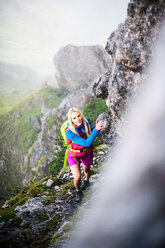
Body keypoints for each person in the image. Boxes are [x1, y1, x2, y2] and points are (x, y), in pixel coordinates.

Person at [66, 107, 104, 202]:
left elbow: (88, 131)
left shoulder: (86, 121)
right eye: (74, 118)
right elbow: (86, 142)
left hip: (86, 152)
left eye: (79, 116)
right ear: (71, 120)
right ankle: (78, 190)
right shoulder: (69, 132)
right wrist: (97, 130)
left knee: (86, 169)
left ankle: (86, 180)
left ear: (81, 115)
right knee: (77, 176)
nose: (77, 119)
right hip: (73, 155)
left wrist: (95, 127)